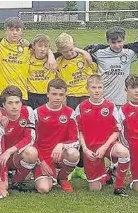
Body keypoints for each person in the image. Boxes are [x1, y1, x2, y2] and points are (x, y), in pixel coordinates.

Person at [73, 74, 130, 196]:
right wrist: (86, 149)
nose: (97, 91)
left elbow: (116, 131)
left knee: (124, 152)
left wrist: (104, 146)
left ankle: (118, 186)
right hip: (91, 149)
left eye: (99, 87)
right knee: (94, 189)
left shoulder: (110, 106)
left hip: (108, 145)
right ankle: (106, 175)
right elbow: (79, 131)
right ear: (87, 88)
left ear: (103, 88)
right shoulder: (81, 107)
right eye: (93, 87)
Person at [55, 32, 96, 181]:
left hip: (86, 98)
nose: (69, 53)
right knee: (74, 133)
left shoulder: (84, 57)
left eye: (71, 49)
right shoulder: (59, 62)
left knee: (88, 132)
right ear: (60, 51)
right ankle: (72, 165)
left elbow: (93, 65)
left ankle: (83, 167)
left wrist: (79, 50)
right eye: (65, 51)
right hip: (71, 99)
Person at [33, 78, 80, 193]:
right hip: (42, 155)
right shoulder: (37, 113)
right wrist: (41, 162)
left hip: (60, 153)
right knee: (43, 189)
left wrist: (61, 145)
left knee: (74, 154)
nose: (57, 97)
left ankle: (63, 178)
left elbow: (75, 139)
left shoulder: (70, 113)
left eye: (61, 95)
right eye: (54, 94)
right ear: (47, 94)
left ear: (65, 96)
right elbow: (32, 141)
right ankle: (44, 174)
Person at [0, 86, 38, 195]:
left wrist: (10, 151)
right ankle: (0, 176)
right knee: (3, 188)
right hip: (2, 157)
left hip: (16, 154)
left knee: (32, 153)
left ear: (21, 103)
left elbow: (30, 138)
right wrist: (2, 180)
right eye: (10, 103)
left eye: (17, 102)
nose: (14, 106)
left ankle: (17, 180)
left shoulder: (28, 111)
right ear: (3, 105)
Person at [87, 27, 138, 108]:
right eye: (113, 42)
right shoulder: (99, 53)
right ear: (108, 42)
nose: (117, 45)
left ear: (124, 40)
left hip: (121, 101)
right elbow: (81, 53)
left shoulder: (129, 54)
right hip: (102, 100)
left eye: (119, 42)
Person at [25, 35, 58, 109]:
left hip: (47, 96)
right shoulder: (27, 57)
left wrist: (51, 55)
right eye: (40, 46)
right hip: (30, 96)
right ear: (33, 46)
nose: (43, 49)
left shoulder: (54, 59)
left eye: (46, 46)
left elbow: (69, 49)